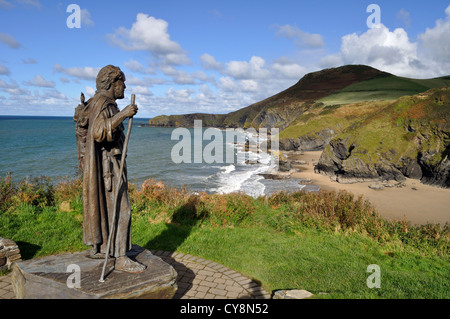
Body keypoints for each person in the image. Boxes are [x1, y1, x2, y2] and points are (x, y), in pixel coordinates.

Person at [81, 65, 145, 273]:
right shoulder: (103, 103)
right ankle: (120, 257)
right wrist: (124, 114)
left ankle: (102, 247)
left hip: (105, 164)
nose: (124, 87)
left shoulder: (97, 103)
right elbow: (99, 132)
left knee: (109, 208)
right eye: (121, 83)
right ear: (111, 83)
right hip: (108, 166)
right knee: (122, 208)